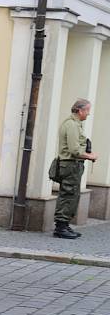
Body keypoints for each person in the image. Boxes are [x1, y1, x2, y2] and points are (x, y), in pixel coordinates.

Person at [53, 99, 98, 239]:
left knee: (72, 195)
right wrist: (90, 156)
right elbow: (74, 150)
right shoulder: (71, 125)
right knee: (68, 194)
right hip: (70, 164)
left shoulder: (75, 124)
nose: (88, 114)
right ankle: (60, 227)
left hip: (73, 165)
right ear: (80, 110)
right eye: (87, 111)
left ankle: (64, 224)